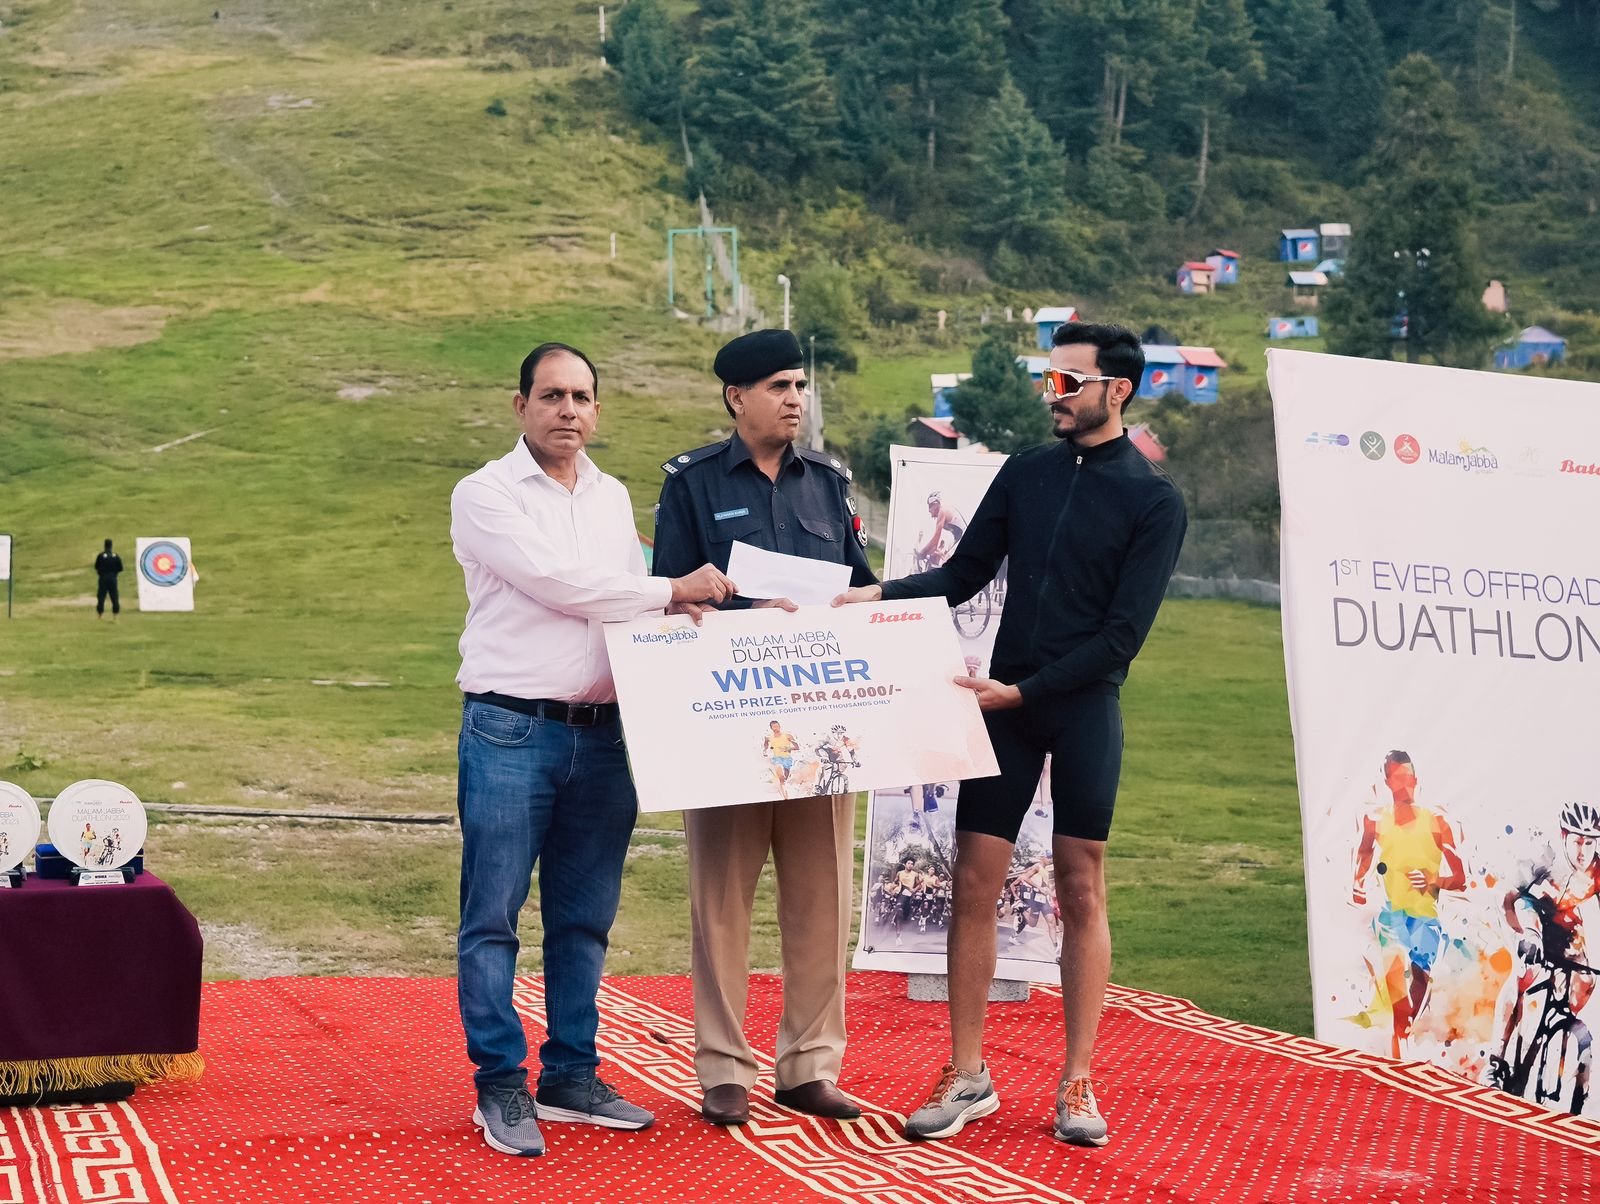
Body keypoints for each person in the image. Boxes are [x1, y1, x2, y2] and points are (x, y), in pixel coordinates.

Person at [835, 321, 1187, 1147]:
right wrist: (876, 593)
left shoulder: (1154, 500)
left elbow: (1120, 640)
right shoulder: (1026, 472)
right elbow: (962, 576)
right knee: (973, 881)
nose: (1051, 395)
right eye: (1048, 380)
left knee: (1081, 886)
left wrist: (1022, 691)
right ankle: (968, 1074)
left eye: (1067, 383)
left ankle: (1077, 1083)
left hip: (1078, 706)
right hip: (1006, 709)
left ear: (1117, 391)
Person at [450, 340, 735, 1158]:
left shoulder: (611, 498)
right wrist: (669, 588)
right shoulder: (485, 493)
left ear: (598, 411)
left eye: (580, 397)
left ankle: (572, 1076)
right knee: (493, 916)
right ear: (521, 406)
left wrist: (681, 611)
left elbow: (623, 600)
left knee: (584, 920)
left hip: (604, 733)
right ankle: (500, 1084)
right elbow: (558, 583)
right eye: (551, 396)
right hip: (510, 729)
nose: (567, 410)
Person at [651, 328, 877, 1127]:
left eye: (800, 385)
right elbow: (668, 597)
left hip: (820, 724)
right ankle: (723, 1068)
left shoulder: (828, 484)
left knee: (823, 896)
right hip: (727, 722)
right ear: (735, 396)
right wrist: (741, 610)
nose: (794, 399)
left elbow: (862, 586)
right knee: (721, 899)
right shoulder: (692, 484)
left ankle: (810, 1066)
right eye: (779, 386)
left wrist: (862, 603)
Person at [1350, 750, 1466, 1059]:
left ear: (1416, 779)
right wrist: (1358, 884)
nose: (1406, 784)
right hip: (1392, 916)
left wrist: (1432, 880)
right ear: (1388, 782)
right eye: (1398, 778)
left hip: (1425, 919)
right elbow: (1364, 853)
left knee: (1419, 985)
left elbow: (1460, 878)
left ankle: (1405, 1035)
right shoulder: (1377, 822)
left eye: (1409, 777)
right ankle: (1397, 1042)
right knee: (1396, 991)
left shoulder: (1436, 822)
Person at [1489, 800, 1600, 1104]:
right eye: (1577, 841)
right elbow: (1508, 899)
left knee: (1587, 978)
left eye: (1590, 843)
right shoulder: (1543, 857)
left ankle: (1555, 1024)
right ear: (1564, 836)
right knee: (1524, 973)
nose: (1583, 851)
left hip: (1564, 926)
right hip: (1526, 915)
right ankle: (1495, 1059)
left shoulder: (1597, 869)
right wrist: (1522, 939)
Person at [920, 492, 967, 569]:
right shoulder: (943, 512)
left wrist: (922, 552)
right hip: (959, 538)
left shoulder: (942, 511)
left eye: (930, 506)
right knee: (941, 558)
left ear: (936, 504)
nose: (929, 510)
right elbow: (937, 543)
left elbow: (935, 541)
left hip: (963, 538)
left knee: (946, 564)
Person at [763, 721, 798, 799]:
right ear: (771, 728)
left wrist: (788, 748)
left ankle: (785, 793)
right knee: (781, 778)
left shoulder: (788, 736)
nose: (776, 728)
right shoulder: (769, 737)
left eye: (777, 726)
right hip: (777, 759)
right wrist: (764, 751)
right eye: (774, 727)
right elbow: (766, 744)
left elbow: (797, 747)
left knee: (784, 780)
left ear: (780, 726)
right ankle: (785, 797)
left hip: (787, 759)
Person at [94, 539, 123, 619]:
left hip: (103, 578)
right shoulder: (115, 556)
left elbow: (96, 567)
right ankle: (115, 614)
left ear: (104, 545)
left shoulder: (101, 556)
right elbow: (120, 568)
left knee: (101, 596)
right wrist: (114, 573)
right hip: (113, 578)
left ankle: (100, 614)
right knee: (114, 596)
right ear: (111, 546)